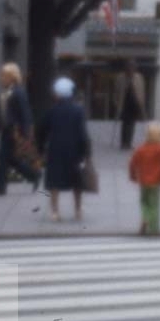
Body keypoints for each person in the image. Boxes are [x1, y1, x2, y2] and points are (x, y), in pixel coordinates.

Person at [41, 77, 91, 222]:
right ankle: (78, 210)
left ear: (57, 94)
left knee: (54, 181)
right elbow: (83, 133)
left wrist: (41, 147)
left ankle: (55, 212)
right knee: (77, 181)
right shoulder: (78, 111)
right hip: (74, 150)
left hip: (55, 149)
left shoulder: (52, 111)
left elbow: (42, 130)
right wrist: (86, 151)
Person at [0, 62, 41, 195]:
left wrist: (26, 133)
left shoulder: (18, 92)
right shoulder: (5, 93)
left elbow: (25, 113)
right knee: (9, 158)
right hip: (7, 131)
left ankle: (0, 188)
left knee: (4, 158)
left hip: (15, 131)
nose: (0, 78)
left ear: (12, 77)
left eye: (3, 75)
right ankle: (33, 175)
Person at [114, 59, 147, 150]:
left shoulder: (139, 77)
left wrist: (142, 105)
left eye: (133, 67)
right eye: (129, 67)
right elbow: (116, 91)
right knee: (125, 123)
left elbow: (142, 92)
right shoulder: (120, 77)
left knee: (132, 123)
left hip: (135, 103)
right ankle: (123, 142)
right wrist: (117, 103)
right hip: (124, 103)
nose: (131, 69)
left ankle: (128, 142)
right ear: (126, 68)